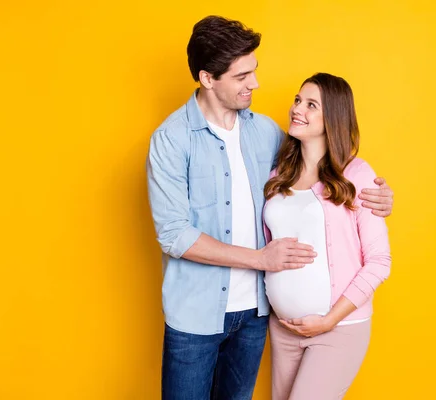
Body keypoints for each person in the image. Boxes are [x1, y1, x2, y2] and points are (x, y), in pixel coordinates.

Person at [146, 16, 394, 400]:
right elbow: (174, 235)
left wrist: (379, 197)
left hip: (256, 317)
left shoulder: (268, 135)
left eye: (254, 71)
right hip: (195, 315)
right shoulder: (171, 140)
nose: (255, 84)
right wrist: (261, 259)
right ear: (208, 78)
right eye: (242, 76)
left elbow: (331, 169)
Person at [264, 73, 391, 400]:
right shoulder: (278, 174)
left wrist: (328, 320)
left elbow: (379, 263)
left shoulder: (357, 174)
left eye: (311, 105)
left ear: (332, 116)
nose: (297, 109)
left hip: (337, 330)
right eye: (297, 100)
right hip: (283, 329)